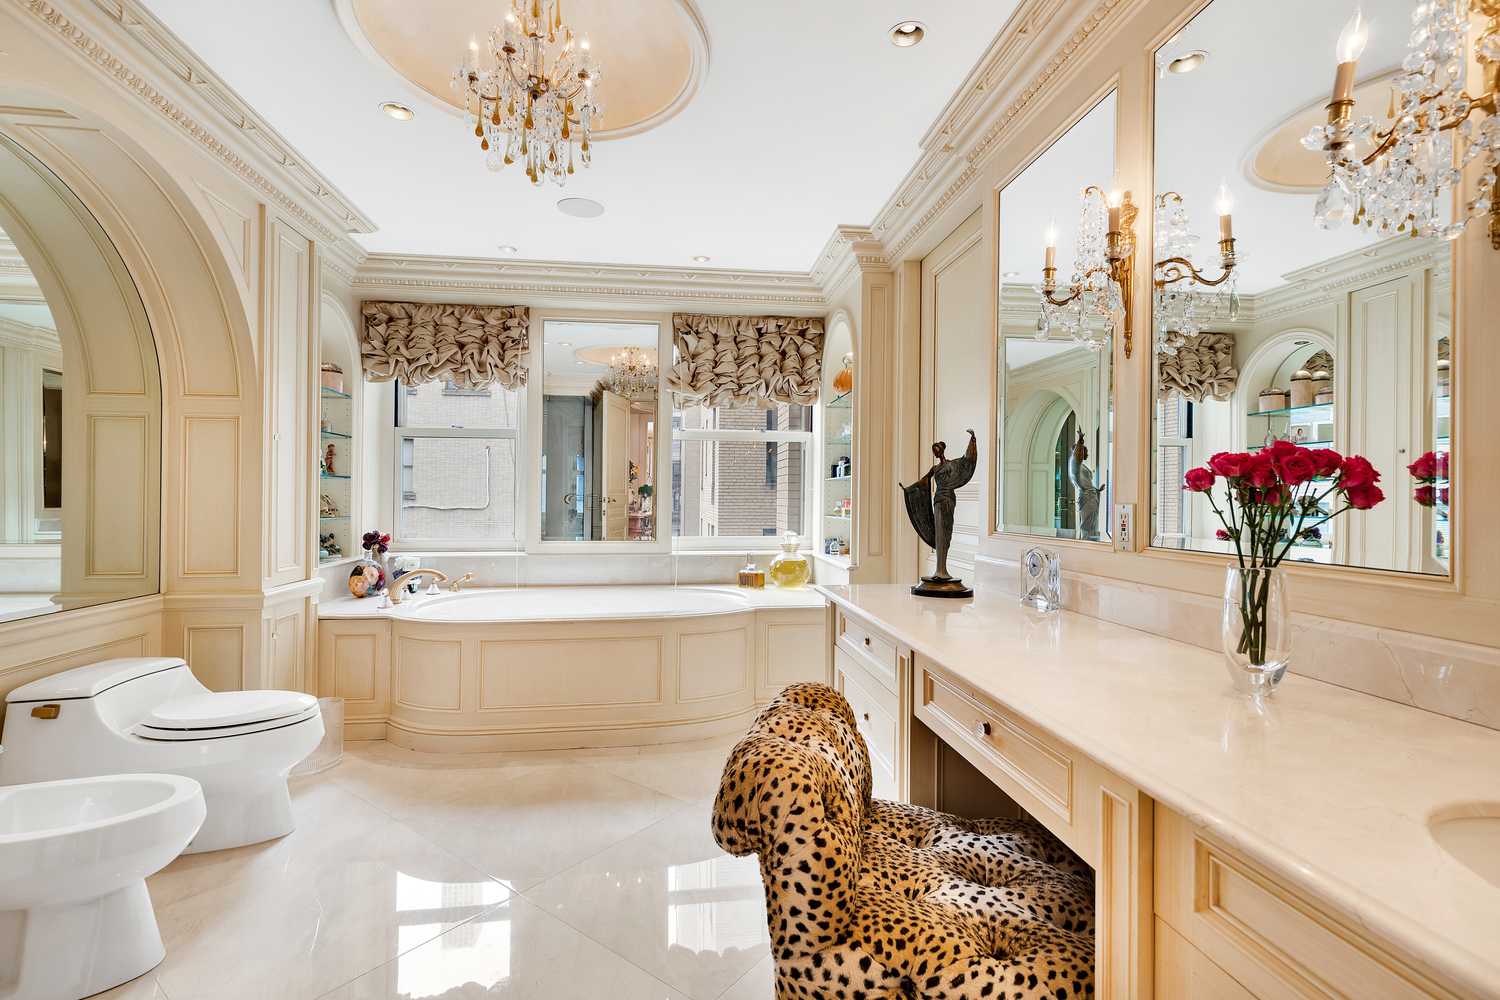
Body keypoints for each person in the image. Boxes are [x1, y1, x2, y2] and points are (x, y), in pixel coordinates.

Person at [1069, 429, 1100, 540]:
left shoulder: (1081, 468)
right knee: (1087, 524)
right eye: (1085, 452)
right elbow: (1077, 457)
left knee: (1091, 522)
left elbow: (1087, 482)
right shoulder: (1075, 465)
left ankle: (1092, 541)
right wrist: (1081, 441)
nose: (1087, 454)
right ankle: (1088, 542)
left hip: (1091, 496)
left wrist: (1097, 490)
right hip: (1087, 498)